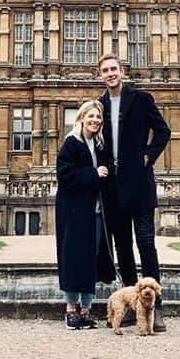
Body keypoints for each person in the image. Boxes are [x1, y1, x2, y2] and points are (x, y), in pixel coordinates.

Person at [97, 53, 171, 332]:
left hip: (139, 183)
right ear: (100, 75)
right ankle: (131, 306)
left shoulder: (141, 99)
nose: (110, 74)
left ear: (121, 71)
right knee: (123, 248)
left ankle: (156, 308)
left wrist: (148, 156)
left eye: (113, 69)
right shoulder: (99, 104)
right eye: (105, 70)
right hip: (112, 186)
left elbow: (163, 131)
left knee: (145, 244)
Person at [55, 99, 117, 330]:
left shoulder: (99, 145)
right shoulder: (71, 143)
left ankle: (86, 310)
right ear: (81, 118)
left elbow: (107, 176)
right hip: (74, 211)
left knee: (92, 259)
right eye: (90, 116)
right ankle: (71, 310)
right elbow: (64, 176)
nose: (95, 120)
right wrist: (93, 174)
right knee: (74, 258)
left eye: (98, 117)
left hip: (97, 212)